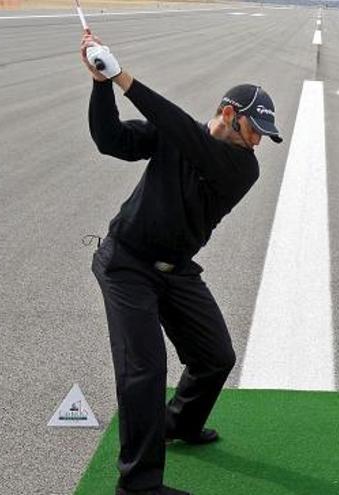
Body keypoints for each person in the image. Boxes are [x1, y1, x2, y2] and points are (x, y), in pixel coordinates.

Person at [81, 31, 282, 495]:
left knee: (215, 357)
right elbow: (111, 140)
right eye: (254, 131)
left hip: (175, 269)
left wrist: (124, 78)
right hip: (127, 264)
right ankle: (139, 484)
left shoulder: (242, 168)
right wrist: (100, 84)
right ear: (230, 115)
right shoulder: (181, 137)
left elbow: (185, 135)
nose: (256, 144)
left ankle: (179, 424)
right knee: (144, 371)